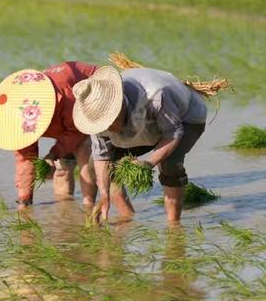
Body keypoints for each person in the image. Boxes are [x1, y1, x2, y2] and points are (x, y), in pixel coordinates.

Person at [71, 65, 207, 223]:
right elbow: (102, 155)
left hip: (185, 119)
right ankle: (127, 217)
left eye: (110, 122)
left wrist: (149, 163)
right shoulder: (94, 115)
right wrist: (104, 195)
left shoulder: (156, 96)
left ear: (120, 106)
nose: (108, 130)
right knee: (99, 167)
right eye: (104, 126)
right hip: (142, 126)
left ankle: (173, 225)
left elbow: (173, 133)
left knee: (169, 163)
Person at [0, 61, 98, 209]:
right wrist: (24, 201)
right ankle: (65, 210)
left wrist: (53, 154)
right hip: (66, 124)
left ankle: (90, 208)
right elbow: (25, 159)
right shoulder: (20, 120)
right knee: (61, 170)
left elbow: (77, 132)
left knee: (85, 155)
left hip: (90, 107)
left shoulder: (64, 93)